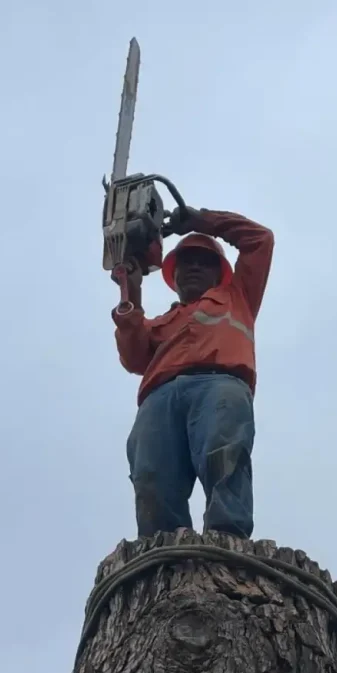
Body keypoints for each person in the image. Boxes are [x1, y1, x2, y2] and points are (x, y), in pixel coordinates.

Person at [112, 207, 274, 539]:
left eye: (204, 261)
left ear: (220, 273)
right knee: (150, 474)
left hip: (220, 384)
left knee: (224, 452)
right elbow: (133, 357)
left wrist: (200, 221)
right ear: (175, 276)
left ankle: (227, 542)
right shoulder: (162, 322)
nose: (194, 267)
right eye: (187, 262)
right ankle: (163, 556)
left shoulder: (237, 297)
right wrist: (131, 292)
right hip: (159, 397)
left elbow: (260, 240)